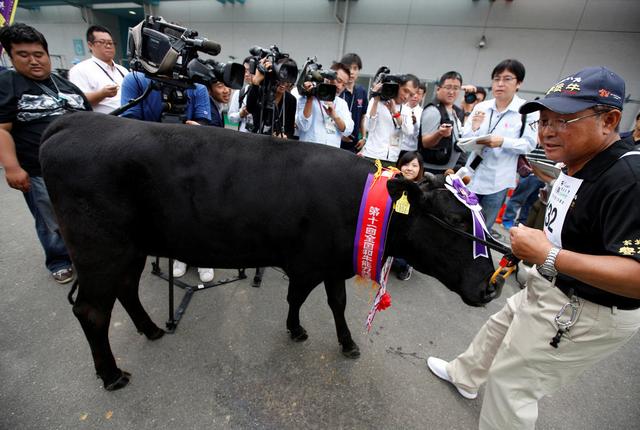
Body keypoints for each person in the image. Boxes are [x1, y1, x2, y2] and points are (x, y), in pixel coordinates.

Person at [427, 66, 640, 430]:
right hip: (551, 282)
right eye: (543, 121)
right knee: (499, 326)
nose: (547, 131)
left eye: (564, 120)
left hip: (586, 308)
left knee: (512, 386)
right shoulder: (578, 162)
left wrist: (549, 255)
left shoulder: (629, 180)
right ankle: (464, 376)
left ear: (609, 120)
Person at [0, 23, 92, 284]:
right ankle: (59, 260)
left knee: (81, 214)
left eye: (38, 54)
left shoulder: (65, 85)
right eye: (23, 55)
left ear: (47, 54)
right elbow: (2, 129)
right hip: (40, 169)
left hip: (80, 167)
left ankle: (82, 252)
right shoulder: (7, 83)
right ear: (11, 56)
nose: (33, 61)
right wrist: (12, 167)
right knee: (49, 217)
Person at [119, 71, 214, 282]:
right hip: (150, 161)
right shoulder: (136, 81)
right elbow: (128, 122)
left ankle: (201, 255)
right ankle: (179, 254)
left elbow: (203, 121)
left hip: (190, 160)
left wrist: (199, 131)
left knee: (197, 210)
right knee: (166, 213)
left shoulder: (197, 87)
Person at [461, 59, 538, 231]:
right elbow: (464, 141)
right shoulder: (481, 107)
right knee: (461, 222)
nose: (500, 84)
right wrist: (474, 129)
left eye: (507, 79)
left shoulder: (527, 111)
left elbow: (529, 144)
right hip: (471, 177)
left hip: (498, 181)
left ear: (518, 83)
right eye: (496, 79)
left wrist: (502, 142)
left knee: (483, 228)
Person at [360, 73, 419, 165]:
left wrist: (395, 113)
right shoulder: (377, 102)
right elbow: (368, 127)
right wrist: (375, 100)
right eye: (405, 91)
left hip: (392, 158)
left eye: (411, 95)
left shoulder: (406, 109)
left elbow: (409, 131)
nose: (406, 96)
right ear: (397, 86)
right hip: (372, 156)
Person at [419, 71, 472, 174]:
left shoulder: (456, 111)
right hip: (431, 170)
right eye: (448, 87)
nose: (452, 92)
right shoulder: (433, 111)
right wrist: (439, 134)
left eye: (456, 88)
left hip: (446, 169)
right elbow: (425, 142)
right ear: (438, 89)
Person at [68, 25, 128, 114]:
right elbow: (78, 101)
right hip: (105, 123)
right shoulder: (80, 70)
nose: (108, 46)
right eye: (102, 42)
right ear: (90, 45)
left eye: (111, 43)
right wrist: (101, 94)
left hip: (131, 119)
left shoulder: (122, 70)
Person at [296, 62, 353, 148]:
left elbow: (348, 130)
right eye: (339, 81)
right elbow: (303, 126)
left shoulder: (342, 103)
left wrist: (335, 117)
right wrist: (309, 98)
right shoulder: (308, 96)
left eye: (344, 85)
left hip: (331, 156)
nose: (340, 87)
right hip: (308, 155)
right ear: (328, 76)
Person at [119, 71, 211, 124]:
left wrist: (197, 130)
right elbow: (130, 123)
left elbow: (203, 123)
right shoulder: (135, 79)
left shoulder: (198, 87)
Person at [391, 151, 424, 281]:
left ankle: (406, 265)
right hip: (391, 226)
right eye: (406, 164)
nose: (409, 168)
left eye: (414, 165)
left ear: (420, 168)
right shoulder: (392, 182)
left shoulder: (423, 189)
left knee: (401, 259)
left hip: (408, 232)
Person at [245, 57, 297, 138]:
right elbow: (250, 108)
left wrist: (284, 136)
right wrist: (255, 82)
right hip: (255, 140)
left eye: (288, 80)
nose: (284, 84)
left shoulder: (291, 100)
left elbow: (290, 130)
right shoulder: (261, 90)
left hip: (276, 146)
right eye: (281, 78)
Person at [500, 145, 549, 230]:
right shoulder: (540, 132)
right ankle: (507, 220)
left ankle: (522, 223)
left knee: (532, 202)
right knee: (518, 198)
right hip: (531, 170)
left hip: (547, 173)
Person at [338, 52, 368, 153]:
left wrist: (363, 137)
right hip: (337, 142)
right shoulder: (338, 91)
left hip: (354, 144)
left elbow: (363, 116)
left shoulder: (361, 91)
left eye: (355, 68)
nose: (351, 72)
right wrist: (341, 135)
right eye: (348, 68)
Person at [227, 56, 253, 132]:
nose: (246, 74)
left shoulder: (268, 94)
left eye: (249, 71)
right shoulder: (239, 93)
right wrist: (241, 114)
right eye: (244, 71)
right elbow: (230, 118)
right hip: (243, 138)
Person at [399, 82, 425, 158]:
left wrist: (415, 124)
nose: (415, 96)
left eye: (419, 94)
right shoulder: (399, 108)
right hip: (396, 148)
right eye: (414, 93)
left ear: (423, 96)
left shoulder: (423, 113)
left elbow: (420, 136)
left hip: (412, 150)